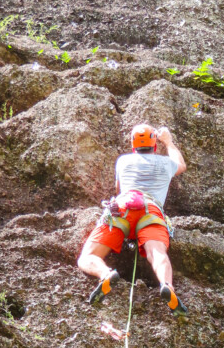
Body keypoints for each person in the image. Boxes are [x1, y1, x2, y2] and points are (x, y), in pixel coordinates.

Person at [77, 123, 188, 316]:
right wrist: (168, 142)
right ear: (154, 145)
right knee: (157, 253)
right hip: (151, 211)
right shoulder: (166, 163)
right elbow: (181, 165)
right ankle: (167, 285)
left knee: (87, 257)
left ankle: (105, 274)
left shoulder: (123, 161)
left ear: (132, 144)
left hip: (121, 209)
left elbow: (118, 189)